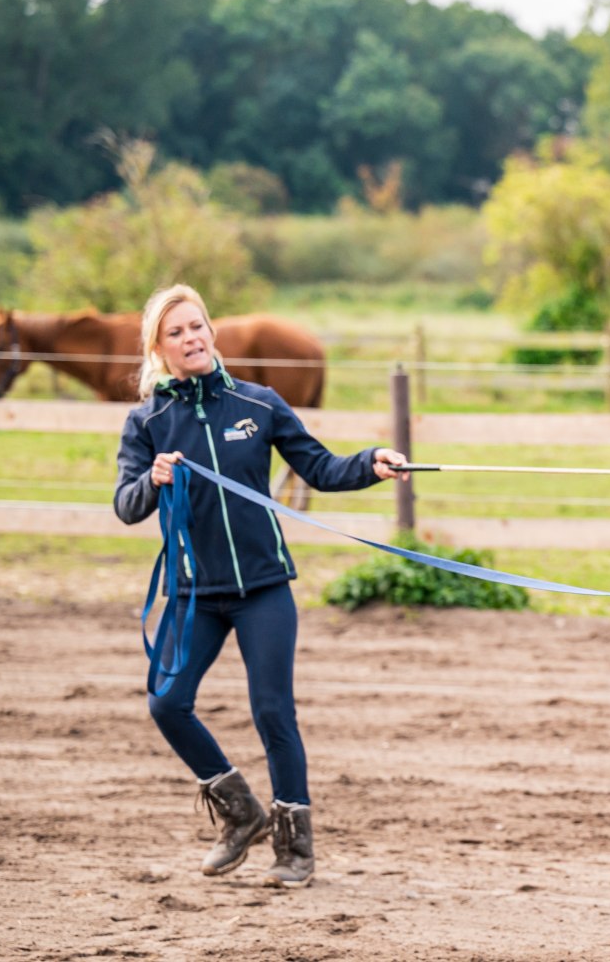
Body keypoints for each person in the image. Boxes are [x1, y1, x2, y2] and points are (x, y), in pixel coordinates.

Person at [113, 284, 409, 886]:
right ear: (158, 348)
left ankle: (296, 850)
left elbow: (321, 468)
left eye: (197, 326)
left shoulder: (259, 402)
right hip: (195, 593)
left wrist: (371, 461)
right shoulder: (148, 421)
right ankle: (240, 812)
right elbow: (125, 504)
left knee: (273, 712)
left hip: (263, 588)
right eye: (176, 333)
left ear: (211, 332)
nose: (191, 338)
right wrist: (154, 477)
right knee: (166, 702)